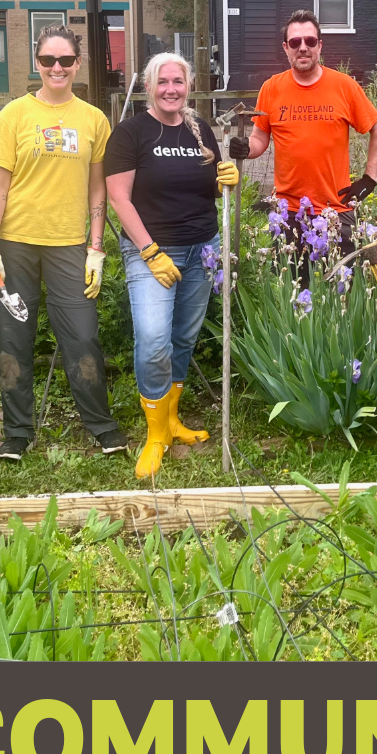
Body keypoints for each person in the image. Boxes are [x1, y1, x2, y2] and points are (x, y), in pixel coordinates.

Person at [0, 24, 126, 461]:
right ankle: (17, 432)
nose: (56, 68)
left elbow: (98, 189)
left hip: (69, 245)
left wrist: (96, 246)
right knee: (13, 336)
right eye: (47, 60)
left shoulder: (94, 119)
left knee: (82, 336)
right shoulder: (13, 116)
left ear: (78, 64)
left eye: (65, 60)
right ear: (36, 64)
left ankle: (100, 424)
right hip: (15, 243)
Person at [105, 52, 238, 477]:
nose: (171, 89)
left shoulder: (201, 130)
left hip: (202, 248)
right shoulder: (130, 133)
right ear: (148, 85)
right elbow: (119, 198)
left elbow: (210, 189)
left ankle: (172, 420)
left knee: (183, 336)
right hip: (151, 252)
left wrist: (227, 179)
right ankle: (155, 434)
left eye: (178, 82)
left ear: (189, 84)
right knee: (153, 337)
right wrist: (148, 250)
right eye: (162, 82)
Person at [227, 9, 377, 261]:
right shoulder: (271, 88)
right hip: (288, 211)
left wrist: (369, 178)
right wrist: (245, 148)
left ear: (319, 45)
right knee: (291, 290)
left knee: (339, 294)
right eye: (295, 42)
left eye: (310, 41)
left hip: (335, 210)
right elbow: (260, 138)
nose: (303, 47)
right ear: (286, 48)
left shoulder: (344, 86)